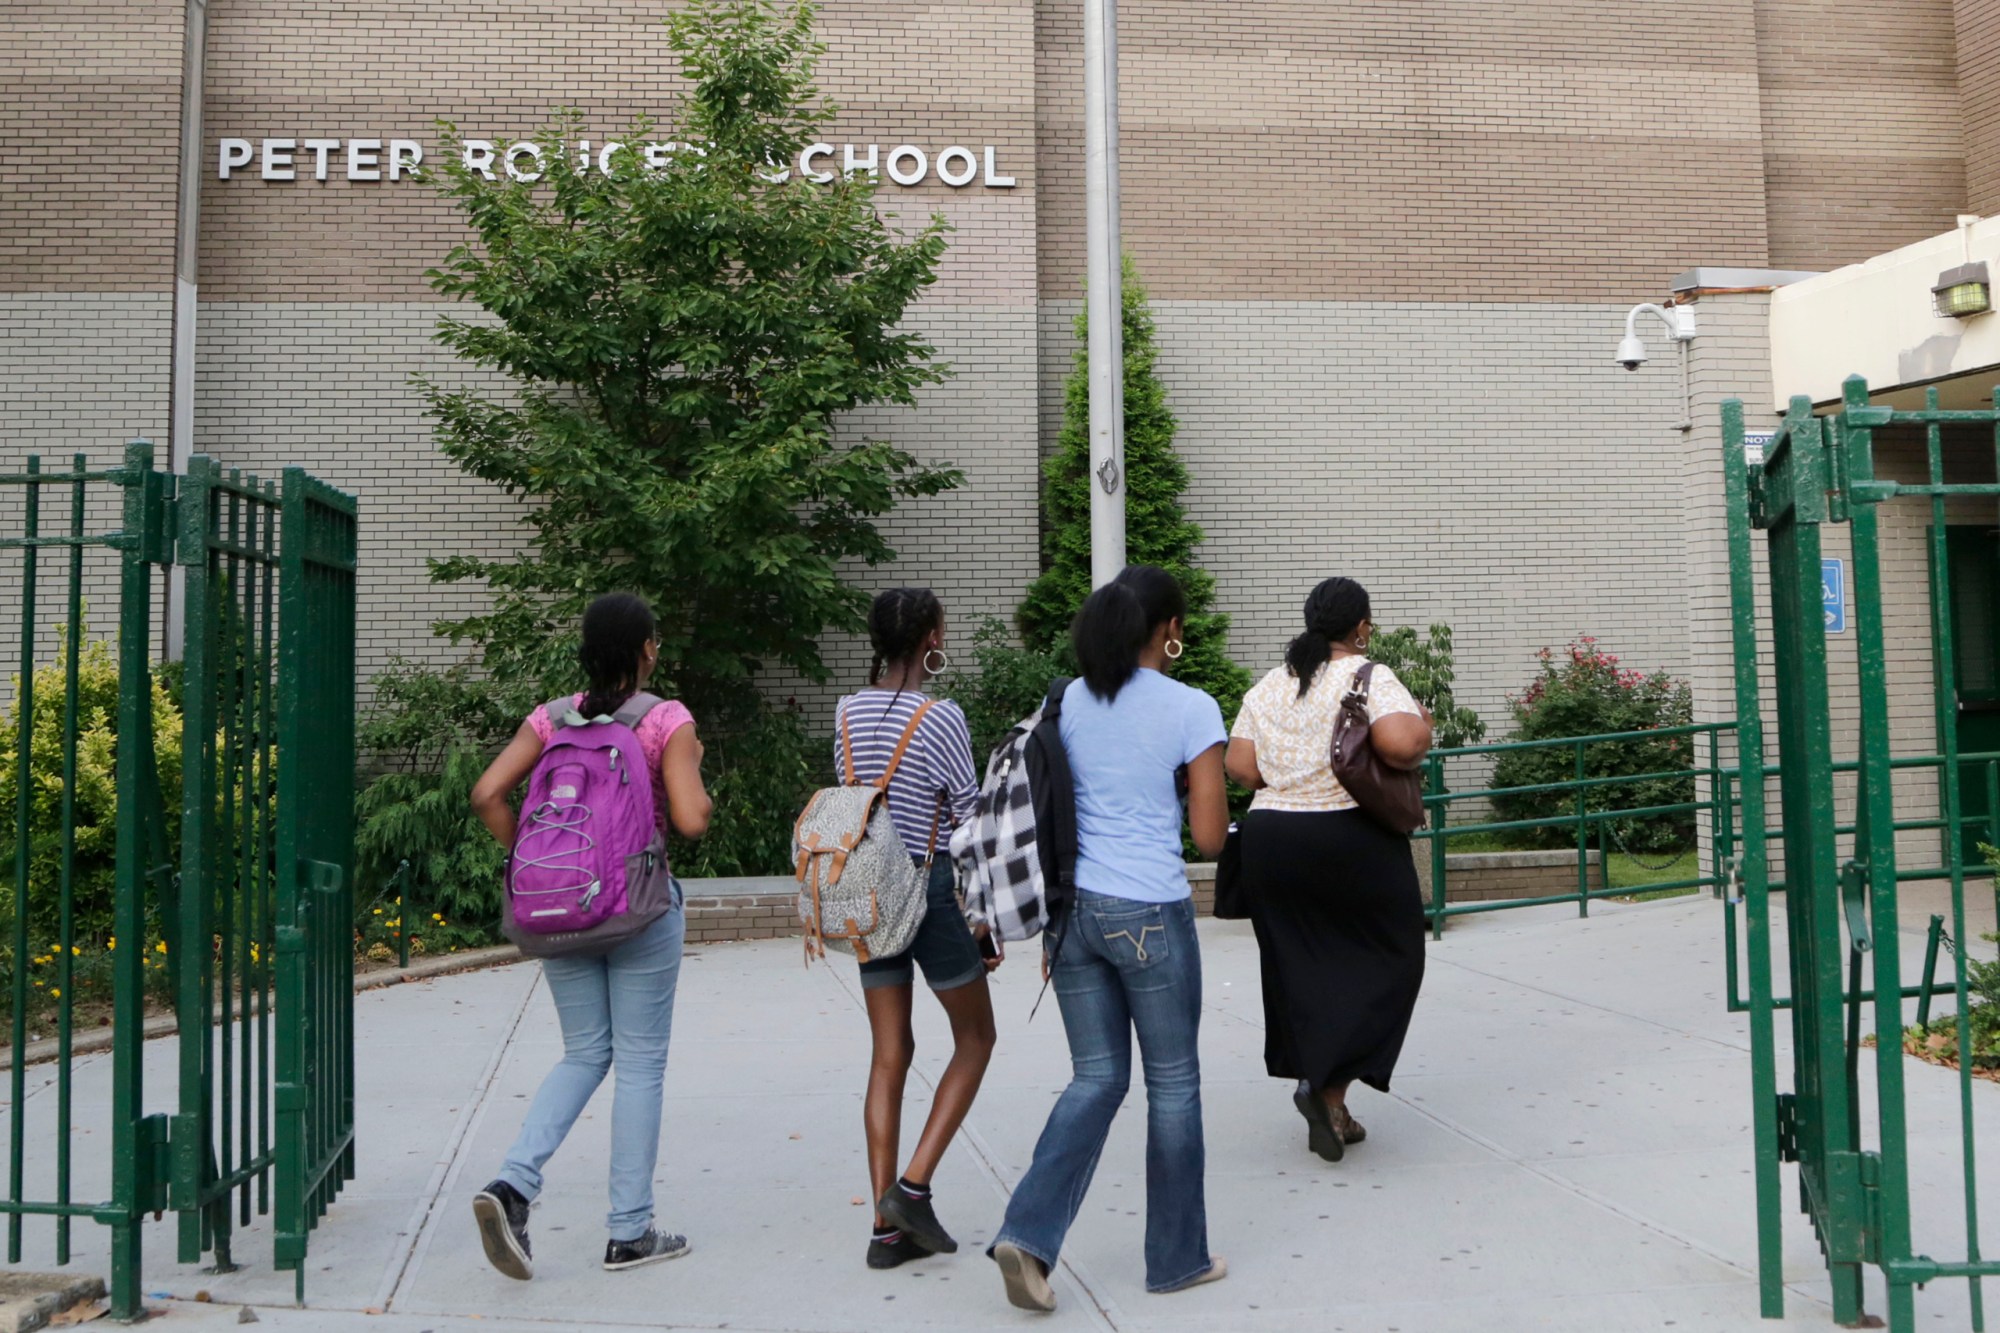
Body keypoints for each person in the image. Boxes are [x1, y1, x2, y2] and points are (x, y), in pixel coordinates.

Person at [990, 565, 1231, 1313]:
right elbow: (1209, 837)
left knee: (1095, 1076)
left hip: (1073, 912)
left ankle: (1026, 1235)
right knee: (1174, 1082)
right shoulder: (1191, 707)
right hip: (1150, 910)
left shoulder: (1064, 699)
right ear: (1170, 630)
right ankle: (1176, 1257)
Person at [466, 592, 713, 1278]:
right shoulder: (666, 719)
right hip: (638, 910)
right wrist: (702, 790)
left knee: (583, 1054)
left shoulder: (549, 719)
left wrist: (537, 864)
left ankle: (513, 1184)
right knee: (638, 1064)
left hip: (560, 907)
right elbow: (690, 820)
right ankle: (630, 1231)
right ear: (648, 649)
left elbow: (487, 793)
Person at [1224, 576, 1432, 1162]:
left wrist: (1290, 782)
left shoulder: (1271, 682)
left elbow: (1240, 765)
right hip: (1349, 838)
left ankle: (1330, 1102)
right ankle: (1326, 1090)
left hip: (1270, 841)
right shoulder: (1368, 676)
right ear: (1360, 627)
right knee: (1395, 956)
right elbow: (1397, 745)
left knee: (1301, 968)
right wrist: (1423, 723)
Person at [836, 587, 998, 1271]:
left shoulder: (846, 711)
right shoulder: (941, 716)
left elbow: (853, 797)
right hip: (927, 888)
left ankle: (885, 1228)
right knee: (976, 1036)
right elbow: (968, 817)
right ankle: (913, 1186)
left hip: (869, 891)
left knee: (889, 1051)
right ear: (931, 637)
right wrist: (983, 914)